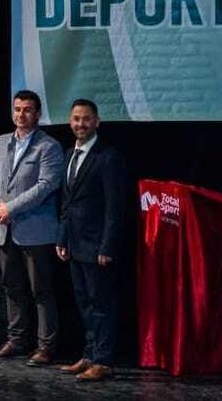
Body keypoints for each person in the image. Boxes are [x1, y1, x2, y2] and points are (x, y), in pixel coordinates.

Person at [0, 90, 64, 366]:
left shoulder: (48, 146)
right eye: (17, 109)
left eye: (27, 110)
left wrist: (10, 208)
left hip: (35, 230)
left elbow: (46, 186)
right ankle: (17, 340)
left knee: (41, 289)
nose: (21, 114)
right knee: (12, 287)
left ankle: (46, 346)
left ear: (37, 114)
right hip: (3, 228)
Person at [55, 99, 126, 382]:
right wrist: (62, 238)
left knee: (102, 304)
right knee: (84, 303)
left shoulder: (108, 157)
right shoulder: (68, 154)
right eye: (75, 119)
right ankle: (89, 354)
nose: (80, 124)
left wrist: (107, 247)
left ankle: (104, 360)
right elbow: (66, 203)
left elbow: (114, 208)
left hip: (96, 247)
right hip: (74, 244)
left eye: (86, 119)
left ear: (96, 122)